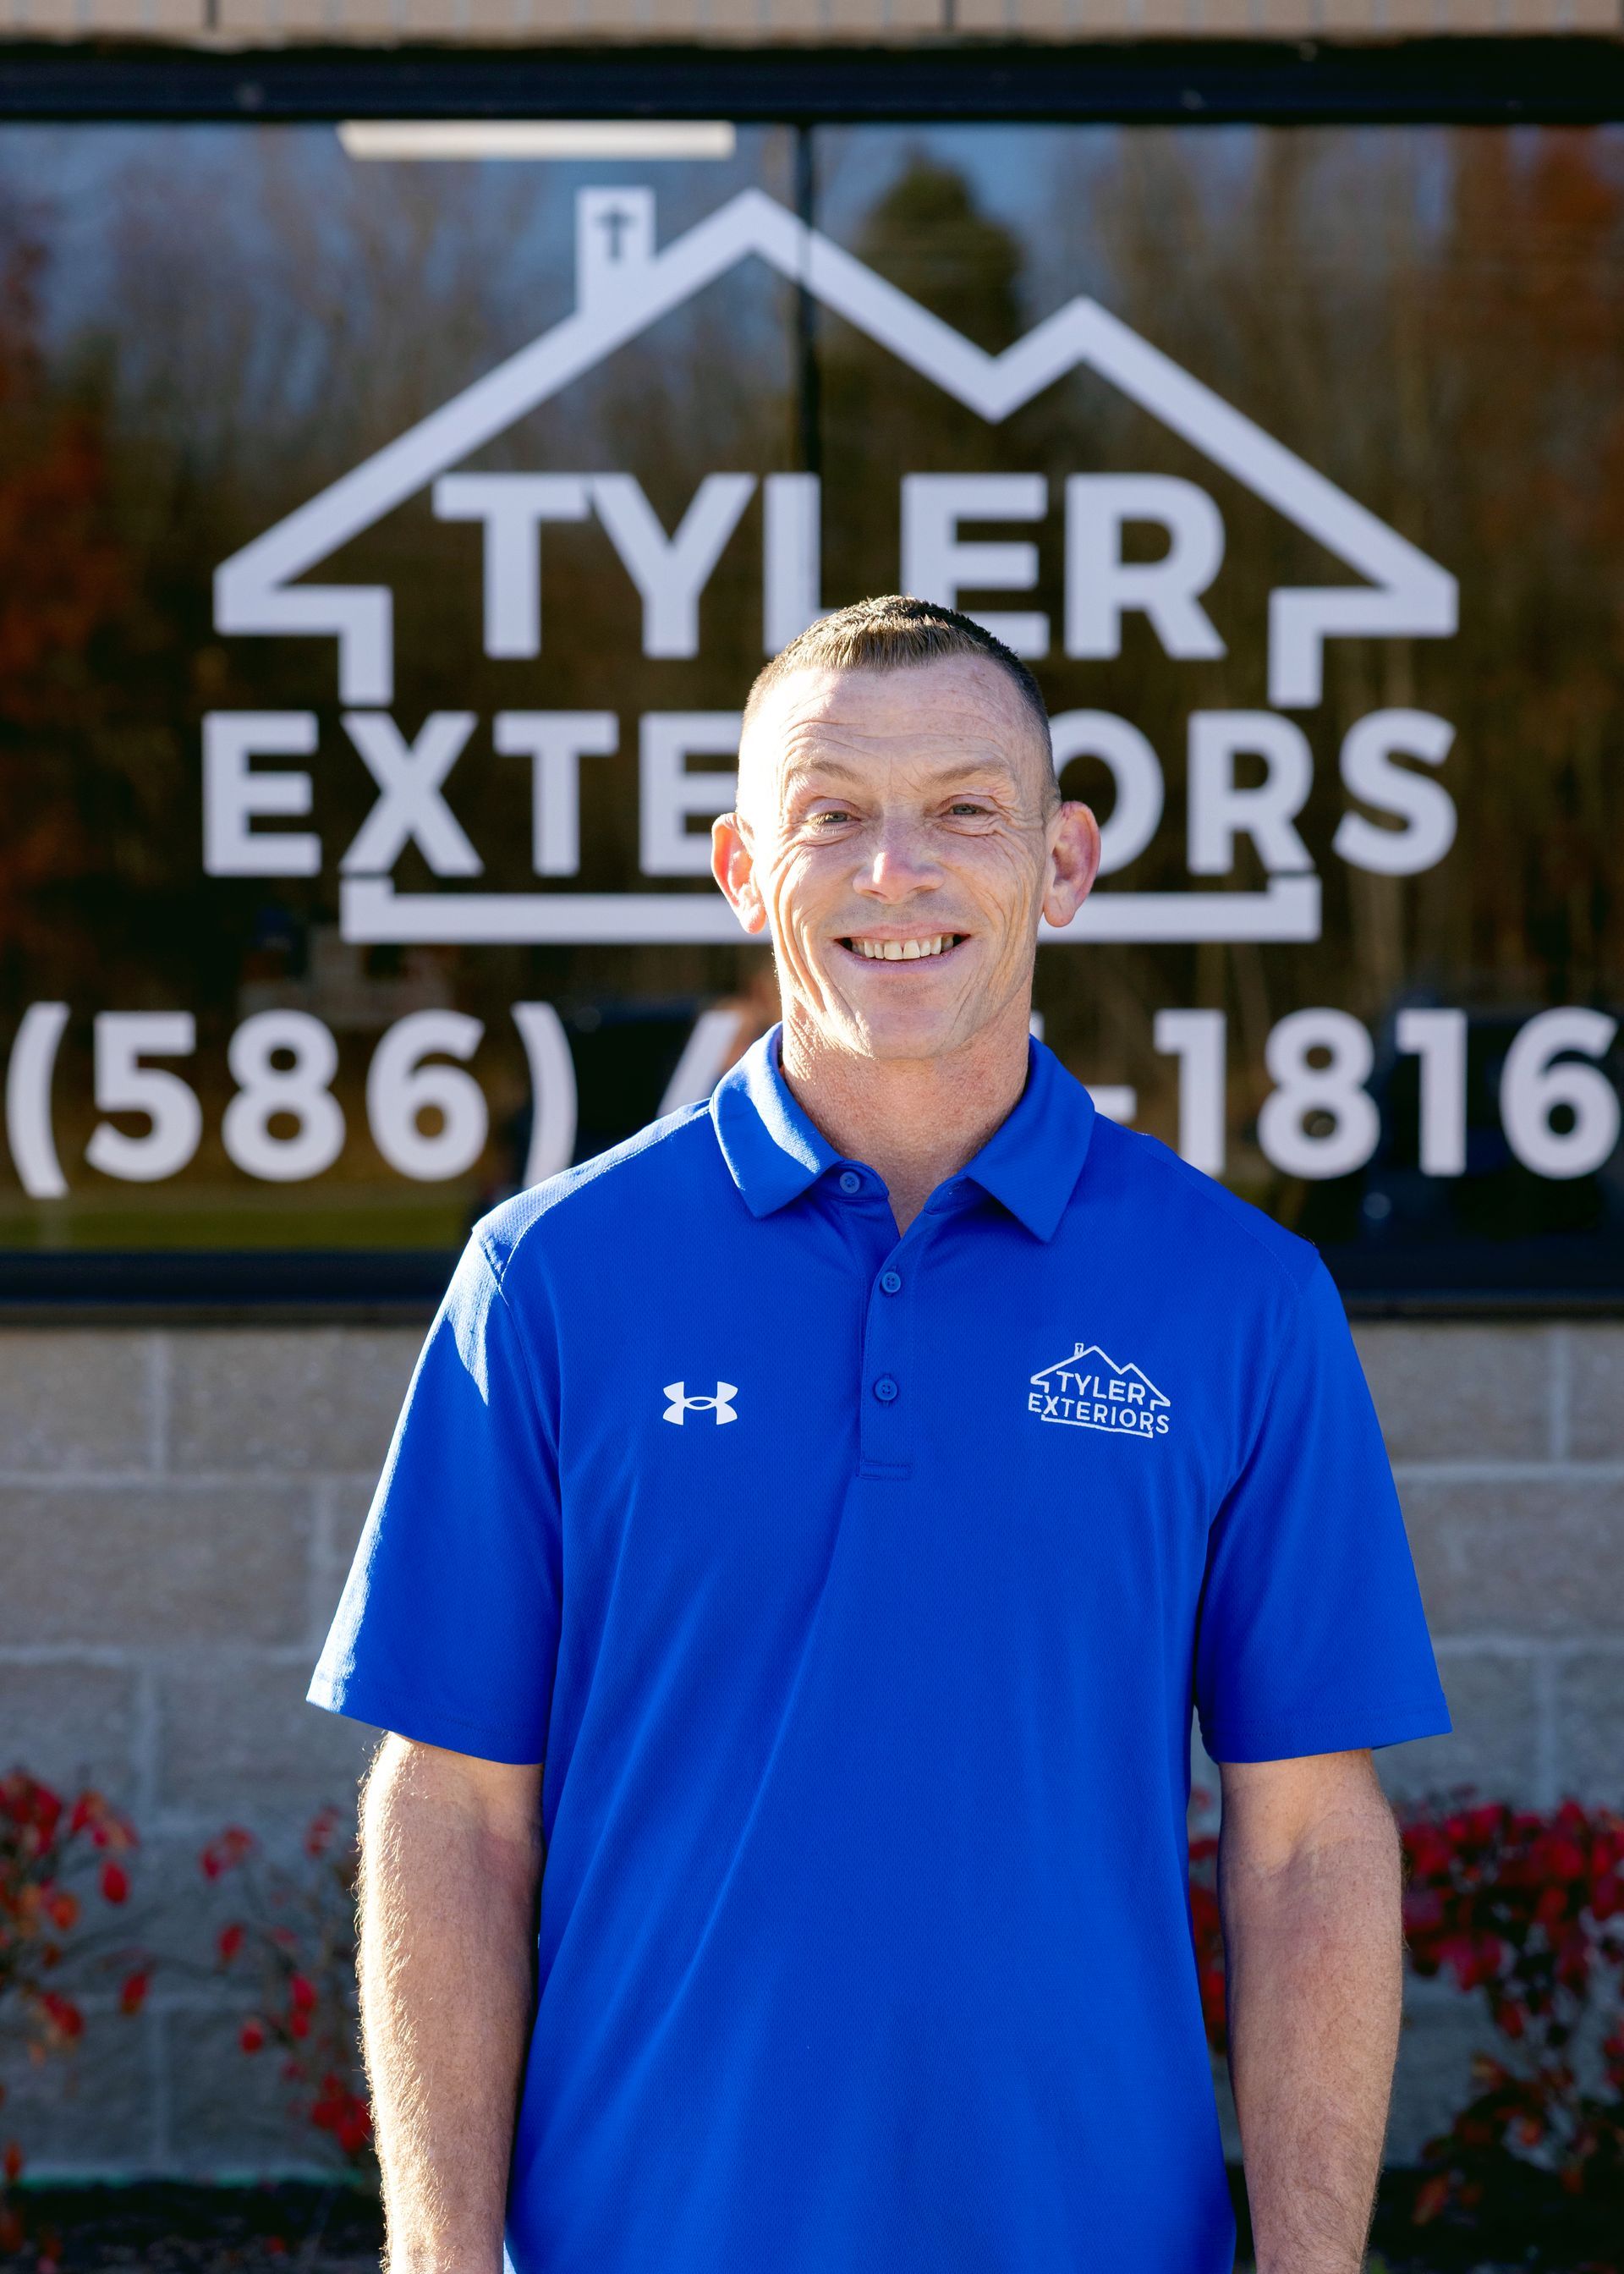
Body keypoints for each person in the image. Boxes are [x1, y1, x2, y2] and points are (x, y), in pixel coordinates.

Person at [309, 596, 1451, 2274]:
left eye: (964, 811)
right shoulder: (551, 1281)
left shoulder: (1240, 1301)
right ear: (740, 867)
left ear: (1061, 865)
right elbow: (453, 1814)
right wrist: (436, 2252)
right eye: (832, 813)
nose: (894, 871)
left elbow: (1306, 1851)